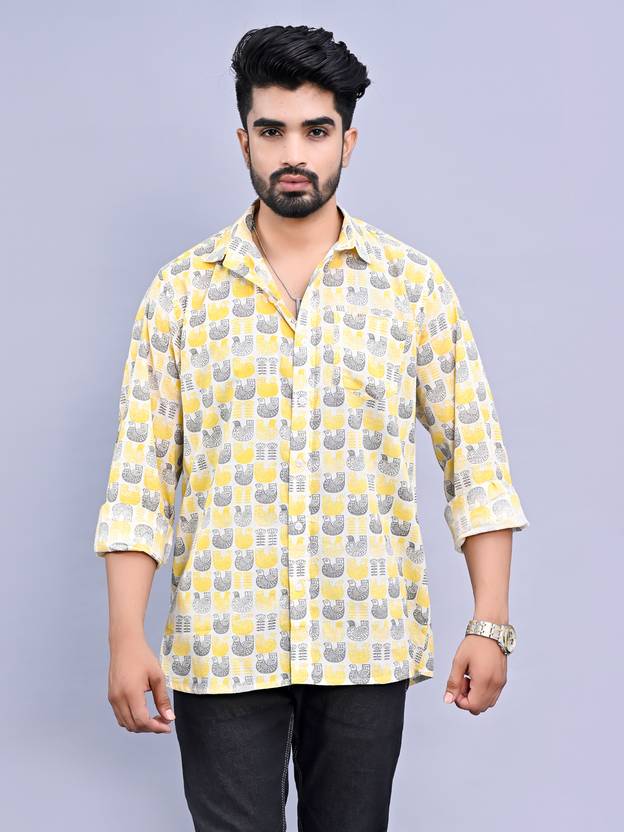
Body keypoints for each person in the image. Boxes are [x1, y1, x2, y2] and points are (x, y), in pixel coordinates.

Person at [93, 24, 530, 832]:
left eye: (316, 131)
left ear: (347, 142)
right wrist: (125, 635)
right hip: (222, 645)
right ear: (244, 140)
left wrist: (490, 621)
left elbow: (476, 459)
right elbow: (138, 480)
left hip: (366, 640)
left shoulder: (411, 286)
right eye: (272, 130)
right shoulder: (181, 294)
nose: (293, 152)